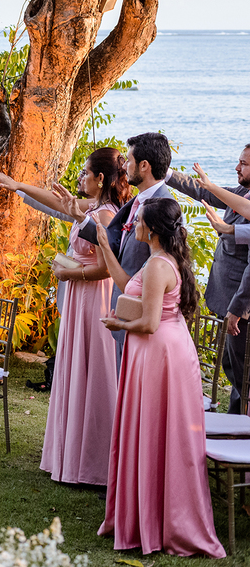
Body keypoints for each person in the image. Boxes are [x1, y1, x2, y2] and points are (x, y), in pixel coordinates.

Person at [95, 197, 225, 558]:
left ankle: (160, 521)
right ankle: (143, 515)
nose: (131, 224)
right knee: (153, 432)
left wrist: (117, 324)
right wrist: (106, 248)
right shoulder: (158, 261)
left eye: (137, 220)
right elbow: (125, 285)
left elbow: (150, 323)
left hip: (158, 354)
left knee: (155, 432)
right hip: (161, 350)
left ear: (150, 230)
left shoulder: (157, 266)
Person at [0, 146, 129, 486]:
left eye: (85, 172)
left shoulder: (108, 214)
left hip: (94, 297)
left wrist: (72, 274)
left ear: (100, 179)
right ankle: (71, 456)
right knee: (75, 369)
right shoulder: (92, 206)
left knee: (94, 371)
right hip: (78, 297)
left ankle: (95, 463)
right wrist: (18, 184)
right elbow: (56, 204)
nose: (80, 177)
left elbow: (107, 269)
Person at [77, 132, 174, 364]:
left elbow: (162, 265)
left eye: (128, 160)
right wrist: (81, 221)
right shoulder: (137, 200)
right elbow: (115, 241)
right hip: (125, 314)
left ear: (144, 165)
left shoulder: (162, 207)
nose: (125, 167)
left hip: (140, 319)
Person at [166, 148, 250, 413]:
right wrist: (166, 173)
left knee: (243, 374)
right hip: (226, 299)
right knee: (232, 365)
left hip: (241, 306)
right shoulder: (240, 194)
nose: (237, 168)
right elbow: (204, 191)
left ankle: (240, 427)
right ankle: (236, 421)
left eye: (243, 163)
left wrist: (238, 308)